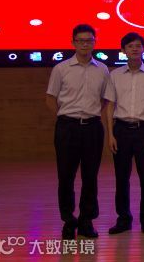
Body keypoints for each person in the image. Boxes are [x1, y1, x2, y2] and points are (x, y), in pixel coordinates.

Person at [46, 24, 109, 240]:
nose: (85, 44)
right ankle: (68, 220)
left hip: (92, 128)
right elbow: (51, 98)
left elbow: (104, 99)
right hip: (67, 127)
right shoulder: (61, 68)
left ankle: (86, 221)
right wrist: (63, 118)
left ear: (94, 42)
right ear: (73, 42)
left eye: (89, 40)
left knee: (90, 176)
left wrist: (90, 114)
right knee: (66, 176)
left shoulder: (102, 69)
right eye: (80, 40)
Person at [104, 32, 144, 235]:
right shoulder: (115, 75)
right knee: (121, 178)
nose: (135, 49)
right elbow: (109, 105)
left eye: (138, 45)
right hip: (120, 130)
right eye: (130, 46)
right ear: (123, 50)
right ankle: (123, 219)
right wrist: (110, 134)